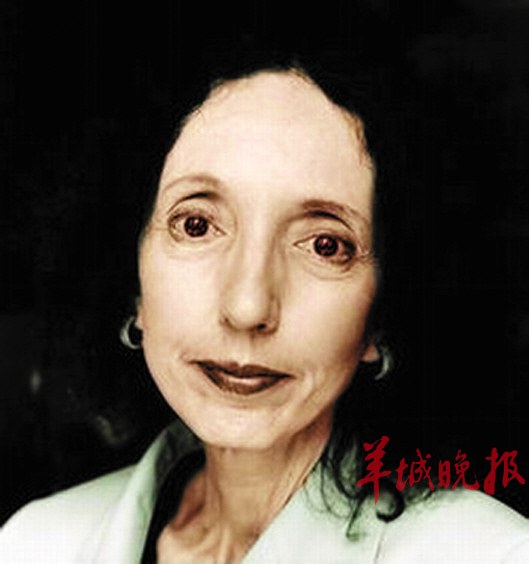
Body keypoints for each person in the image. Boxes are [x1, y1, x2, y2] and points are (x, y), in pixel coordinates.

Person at [1, 58, 529, 563]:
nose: (247, 306)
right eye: (196, 225)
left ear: (383, 314)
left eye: (325, 245)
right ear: (129, 278)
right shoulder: (31, 545)